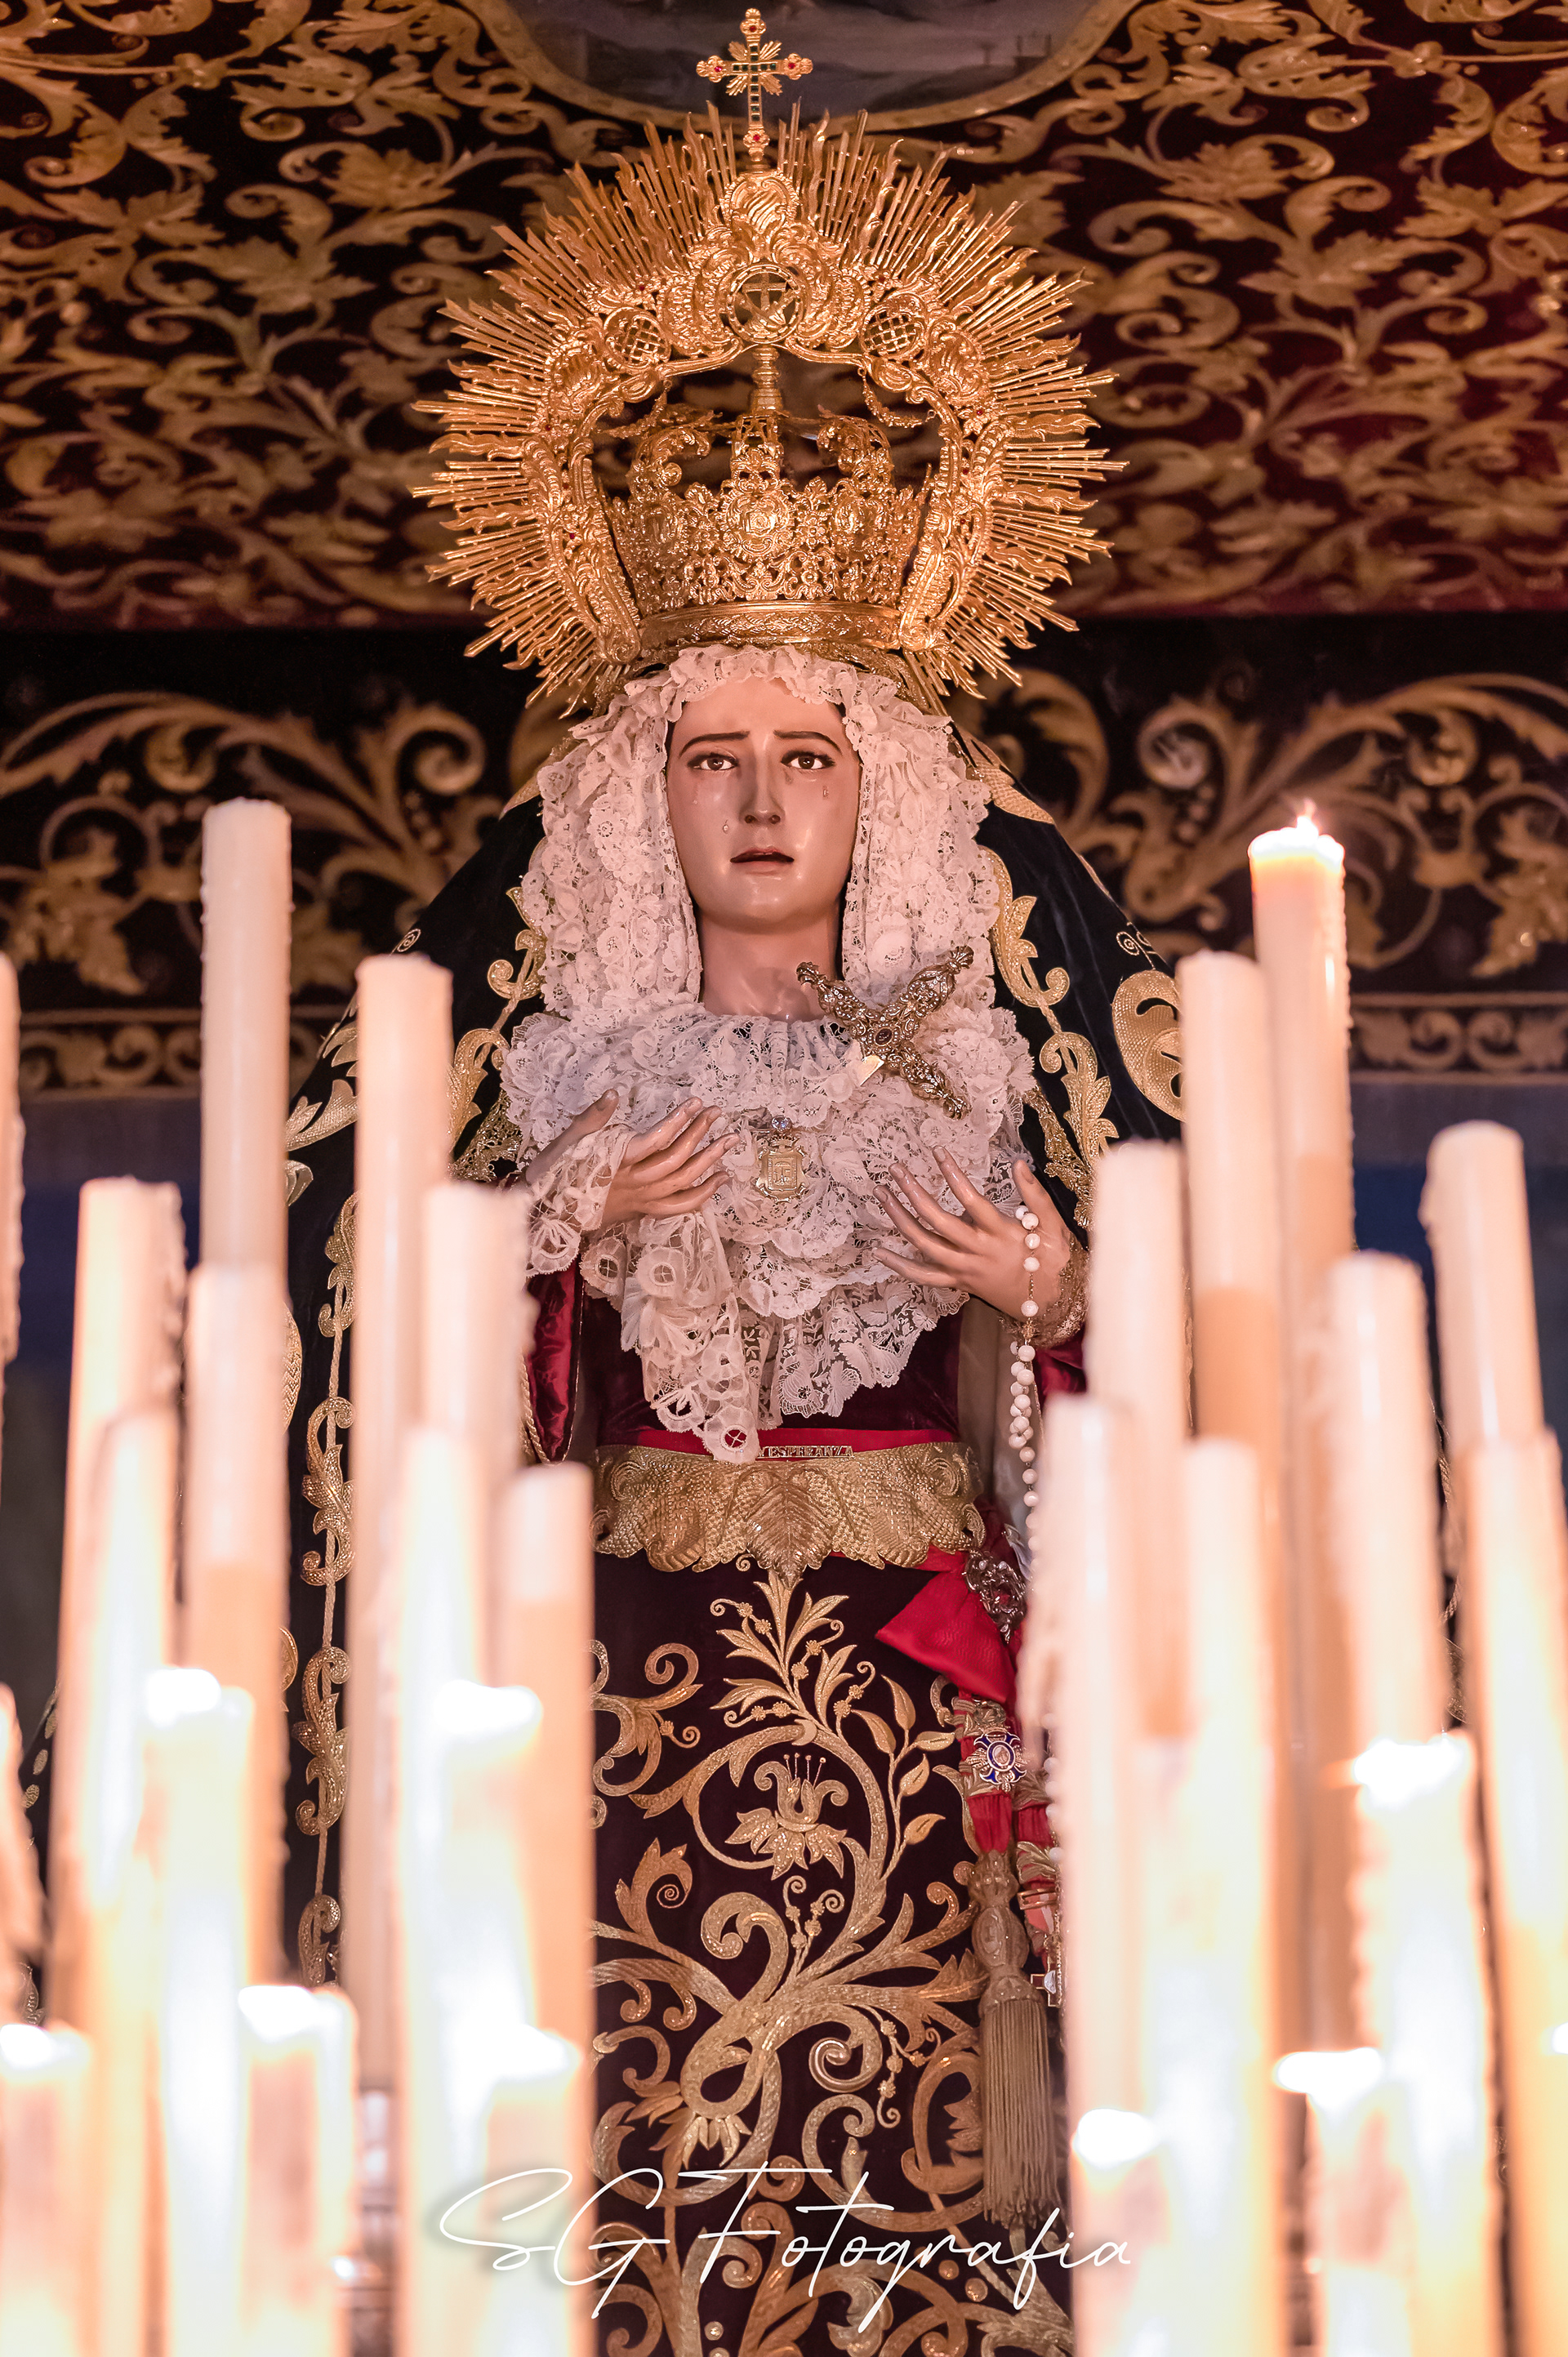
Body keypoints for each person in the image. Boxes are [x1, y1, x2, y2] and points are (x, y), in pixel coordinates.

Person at [278, 22, 1183, 2346]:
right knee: (635, 2131)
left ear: (883, 795)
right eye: (711, 761)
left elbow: (1176, 1396)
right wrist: (545, 1241)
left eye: (806, 758)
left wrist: (1056, 1298)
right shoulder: (550, 1073)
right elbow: (371, 1387)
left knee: (920, 2150)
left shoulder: (987, 1053)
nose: (764, 805)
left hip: (920, 1669)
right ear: (634, 803)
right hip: (616, 1675)